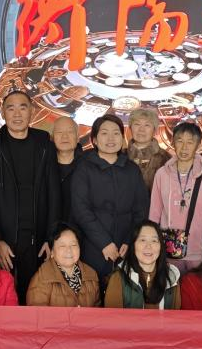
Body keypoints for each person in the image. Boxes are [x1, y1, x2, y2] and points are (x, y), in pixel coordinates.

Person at [0, 89, 60, 301]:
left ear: (32, 111)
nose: (17, 114)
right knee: (5, 298)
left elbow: (54, 194)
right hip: (5, 240)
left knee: (36, 297)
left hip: (37, 240)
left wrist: (50, 237)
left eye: (23, 107)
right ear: (3, 113)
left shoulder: (45, 146)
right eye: (10, 108)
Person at [70, 114, 150, 285]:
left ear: (122, 137)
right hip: (93, 246)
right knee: (93, 292)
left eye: (116, 133)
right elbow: (80, 209)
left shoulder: (132, 169)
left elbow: (140, 210)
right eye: (104, 133)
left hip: (125, 248)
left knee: (124, 292)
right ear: (94, 140)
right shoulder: (84, 167)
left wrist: (129, 240)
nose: (111, 138)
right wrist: (104, 243)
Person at [150, 121, 202, 274]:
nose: (184, 147)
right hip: (169, 249)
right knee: (172, 287)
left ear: (198, 144)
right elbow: (155, 212)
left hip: (199, 249)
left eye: (190, 142)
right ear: (173, 142)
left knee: (197, 288)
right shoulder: (162, 174)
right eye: (180, 141)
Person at [103, 220, 182, 309]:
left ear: (161, 246)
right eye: (142, 240)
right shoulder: (118, 278)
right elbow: (112, 317)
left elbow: (176, 316)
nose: (148, 246)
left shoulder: (171, 276)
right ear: (133, 245)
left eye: (154, 241)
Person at [26, 223, 101, 307]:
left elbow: (97, 312)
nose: (69, 250)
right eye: (62, 246)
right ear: (52, 252)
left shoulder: (91, 275)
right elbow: (37, 313)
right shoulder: (41, 279)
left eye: (73, 245)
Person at [126, 106, 169, 191]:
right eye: (137, 124)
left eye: (147, 125)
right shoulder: (121, 156)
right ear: (130, 128)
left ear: (154, 130)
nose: (141, 129)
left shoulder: (166, 159)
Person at [51, 115, 83, 221]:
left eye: (70, 132)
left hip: (79, 228)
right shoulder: (43, 165)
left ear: (78, 137)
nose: (64, 136)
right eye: (59, 132)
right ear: (52, 138)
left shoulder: (88, 166)